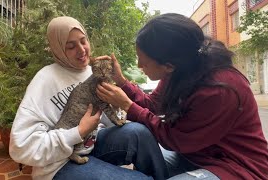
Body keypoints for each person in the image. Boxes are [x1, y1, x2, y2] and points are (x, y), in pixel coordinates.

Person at [96, 13, 268, 179]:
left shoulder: (219, 89)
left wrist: (128, 106)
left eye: (144, 61)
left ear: (168, 65)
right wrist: (121, 82)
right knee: (142, 146)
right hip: (195, 156)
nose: (139, 65)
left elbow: (175, 139)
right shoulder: (180, 70)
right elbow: (154, 104)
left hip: (234, 167)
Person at [9, 16, 168, 180]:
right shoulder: (44, 80)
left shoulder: (92, 72)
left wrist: (119, 101)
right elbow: (20, 147)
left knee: (139, 132)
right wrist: (78, 132)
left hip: (92, 145)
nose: (81, 50)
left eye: (83, 41)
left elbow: (106, 117)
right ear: (57, 49)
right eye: (71, 46)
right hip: (59, 164)